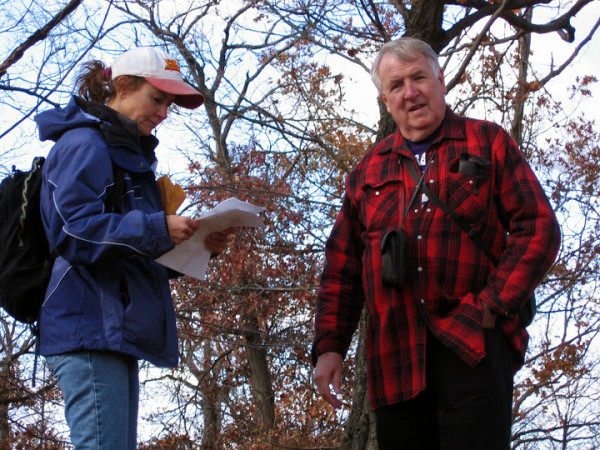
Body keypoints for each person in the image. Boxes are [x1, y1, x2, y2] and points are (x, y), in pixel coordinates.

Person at [312, 37, 561, 449]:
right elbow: (342, 268)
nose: (410, 92)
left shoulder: (488, 142)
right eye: (396, 86)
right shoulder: (365, 173)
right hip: (395, 360)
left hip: (473, 348)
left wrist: (492, 306)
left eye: (418, 78)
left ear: (440, 81)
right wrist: (329, 347)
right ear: (384, 100)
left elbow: (539, 227)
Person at [34, 46, 234, 449]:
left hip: (111, 328)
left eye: (169, 105)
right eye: (157, 99)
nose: (163, 113)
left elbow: (126, 250)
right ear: (123, 87)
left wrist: (196, 245)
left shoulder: (127, 154)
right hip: (86, 323)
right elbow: (73, 231)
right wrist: (158, 227)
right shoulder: (85, 144)